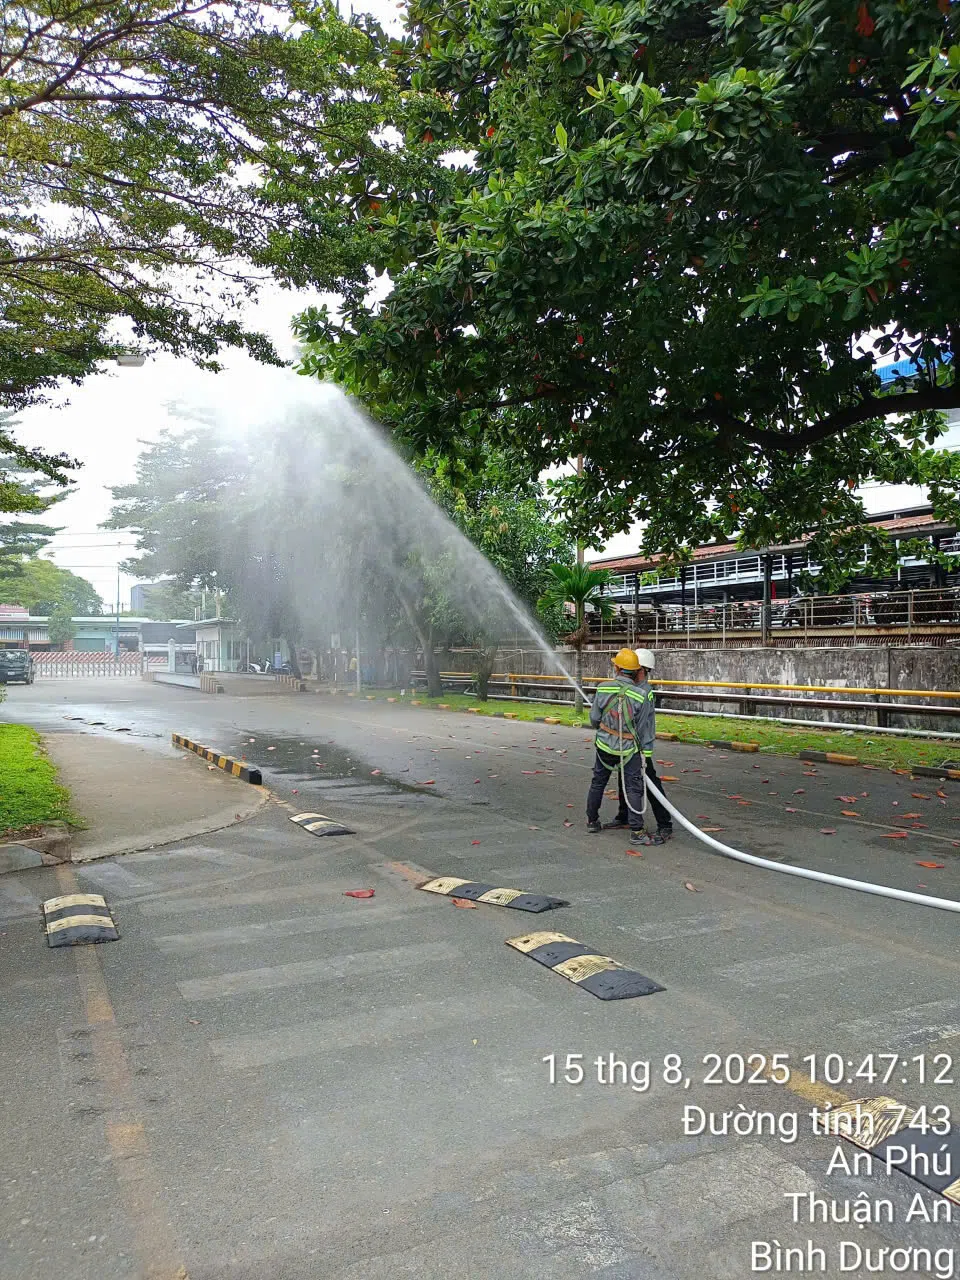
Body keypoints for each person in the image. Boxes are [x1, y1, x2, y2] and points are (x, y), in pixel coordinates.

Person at [586, 647, 673, 846]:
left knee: (647, 785)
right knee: (629, 784)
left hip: (629, 748)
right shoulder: (638, 693)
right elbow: (640, 727)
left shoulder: (643, 693)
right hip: (629, 747)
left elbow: (645, 728)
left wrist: (645, 753)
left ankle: (664, 824)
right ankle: (627, 819)